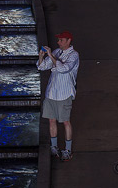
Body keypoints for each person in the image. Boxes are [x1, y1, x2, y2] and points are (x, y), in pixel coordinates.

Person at [37, 31, 80, 162]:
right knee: (51, 120)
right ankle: (54, 147)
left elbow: (64, 69)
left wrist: (50, 55)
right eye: (58, 40)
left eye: (61, 40)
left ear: (68, 41)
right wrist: (41, 56)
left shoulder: (74, 55)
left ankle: (67, 149)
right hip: (52, 93)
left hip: (64, 93)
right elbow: (42, 66)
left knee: (66, 122)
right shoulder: (57, 52)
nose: (58, 42)